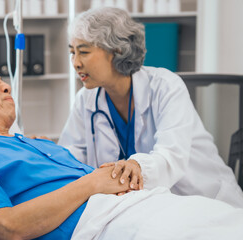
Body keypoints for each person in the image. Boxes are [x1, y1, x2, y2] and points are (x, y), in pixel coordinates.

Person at [0, 55, 243, 240]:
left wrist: (112, 175)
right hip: (103, 226)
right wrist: (92, 183)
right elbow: (7, 227)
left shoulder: (37, 145)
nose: (6, 86)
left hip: (149, 204)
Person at [58, 7, 243, 207]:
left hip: (202, 201)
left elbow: (171, 156)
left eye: (83, 52)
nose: (75, 63)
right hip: (147, 208)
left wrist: (138, 166)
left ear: (117, 50)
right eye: (72, 52)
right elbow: (74, 156)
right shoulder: (86, 100)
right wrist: (45, 151)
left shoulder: (165, 87)